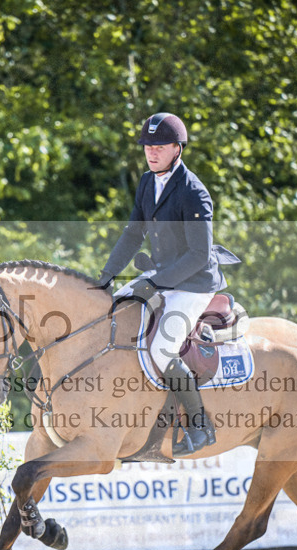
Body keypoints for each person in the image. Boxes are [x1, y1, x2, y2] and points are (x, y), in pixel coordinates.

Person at [95, 112, 240, 456]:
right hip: (161, 276)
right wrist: (106, 276)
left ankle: (200, 425)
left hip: (194, 284)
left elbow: (199, 255)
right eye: (147, 146)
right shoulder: (147, 181)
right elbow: (133, 232)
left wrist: (156, 284)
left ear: (177, 148)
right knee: (110, 314)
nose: (151, 152)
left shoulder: (194, 192)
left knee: (161, 349)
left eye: (159, 146)